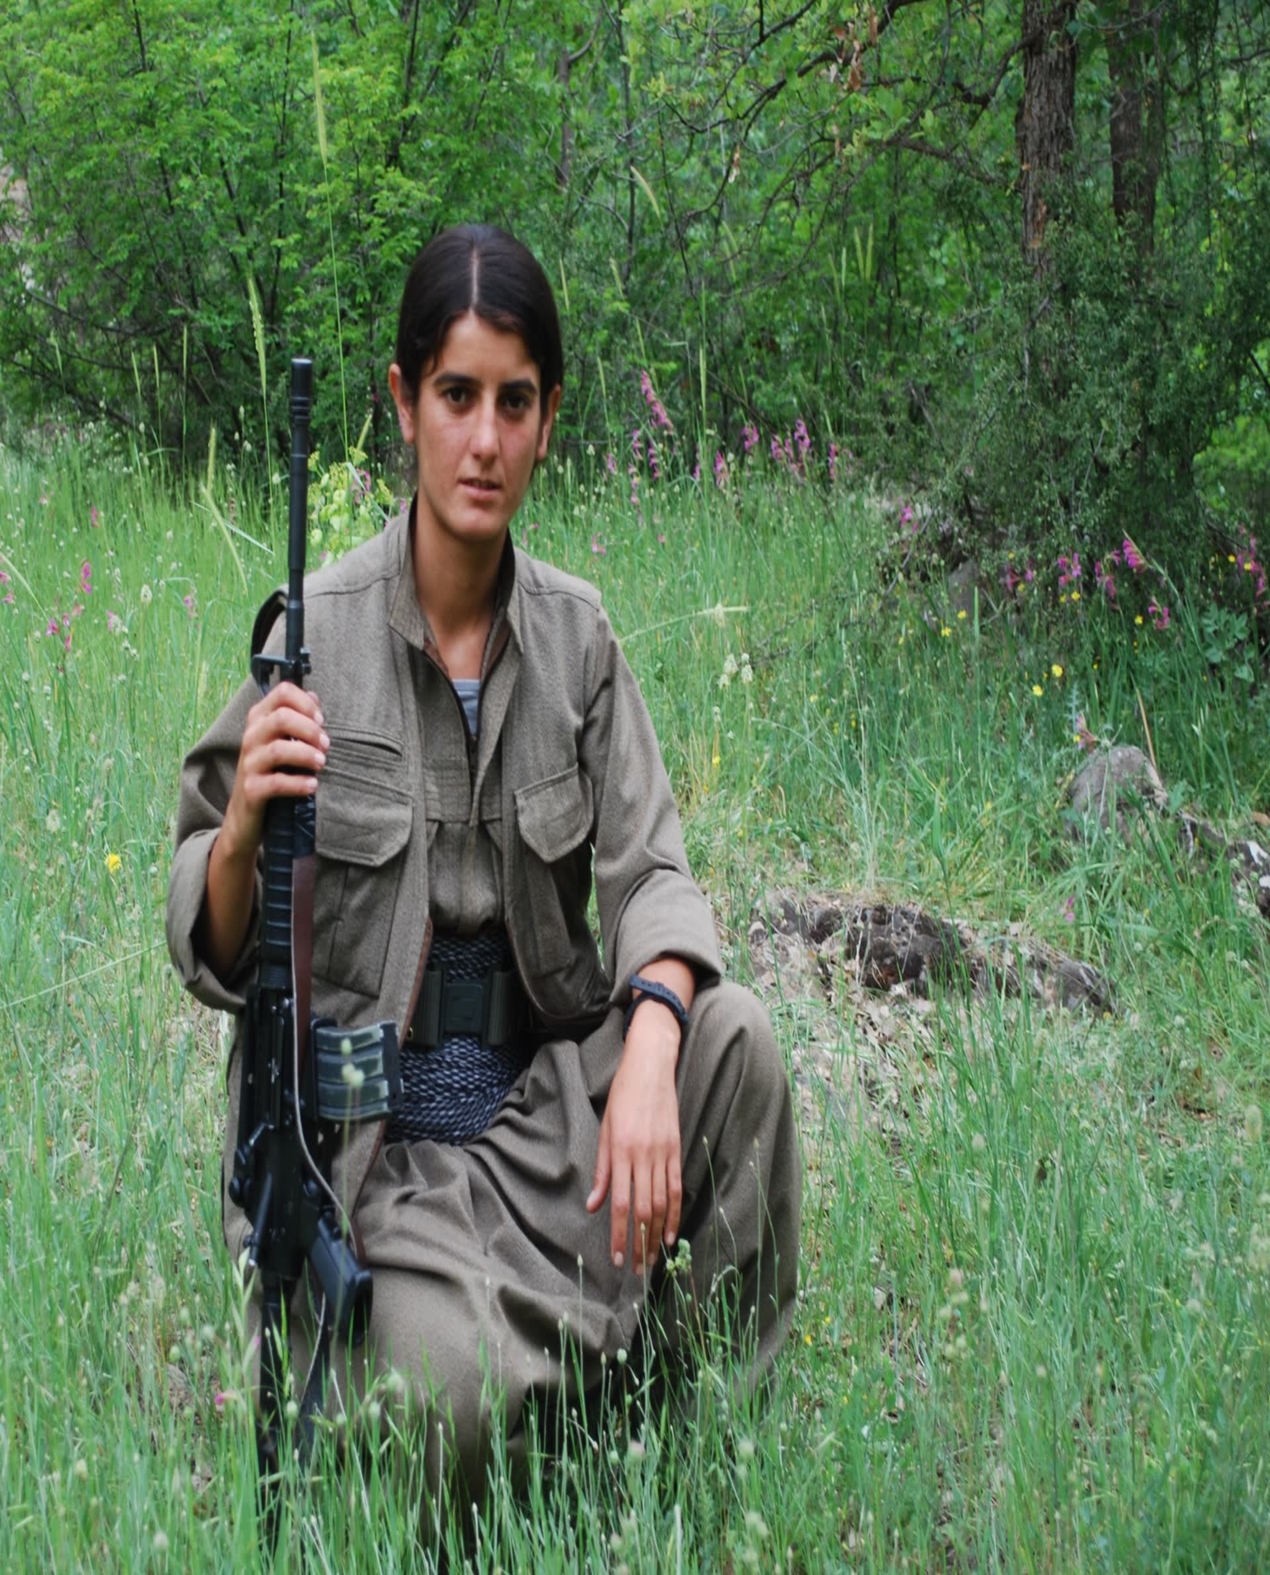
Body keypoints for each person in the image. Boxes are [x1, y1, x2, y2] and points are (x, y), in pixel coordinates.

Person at [166, 224, 800, 1494]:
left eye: (515, 402)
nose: (485, 440)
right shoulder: (315, 635)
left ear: (550, 419)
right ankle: (514, 1390)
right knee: (441, 1409)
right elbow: (206, 935)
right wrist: (240, 835)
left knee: (733, 1045)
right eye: (456, 396)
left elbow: (653, 873)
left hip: (541, 1121)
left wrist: (654, 1035)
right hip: (377, 1162)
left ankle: (695, 1453)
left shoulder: (576, 638)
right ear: (404, 404)